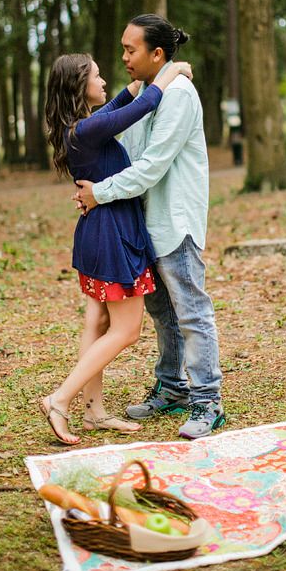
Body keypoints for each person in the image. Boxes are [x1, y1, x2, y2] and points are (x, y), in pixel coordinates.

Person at [74, 14, 225, 440]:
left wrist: (99, 192)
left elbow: (152, 166)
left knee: (191, 310)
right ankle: (173, 387)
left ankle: (207, 401)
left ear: (156, 53)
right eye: (123, 48)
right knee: (163, 314)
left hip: (174, 221)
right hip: (142, 222)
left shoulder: (178, 95)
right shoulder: (146, 92)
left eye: (130, 49)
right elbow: (125, 144)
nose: (123, 57)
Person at [39, 51, 193, 445]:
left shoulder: (79, 127)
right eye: (97, 74)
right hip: (111, 234)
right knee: (126, 330)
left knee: (99, 322)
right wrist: (171, 71)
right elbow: (140, 107)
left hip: (95, 231)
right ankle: (59, 400)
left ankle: (95, 413)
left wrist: (138, 81)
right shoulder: (88, 131)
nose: (105, 79)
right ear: (79, 85)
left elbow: (118, 104)